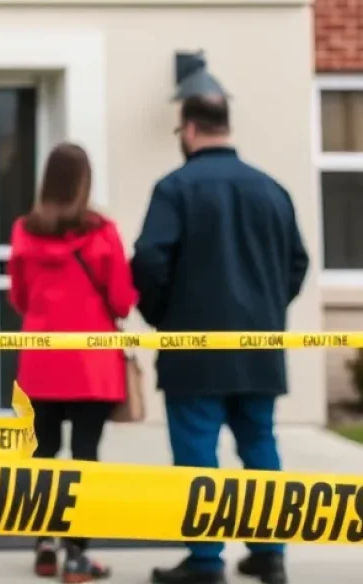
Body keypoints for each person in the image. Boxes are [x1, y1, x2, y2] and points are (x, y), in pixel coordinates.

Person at [130, 95, 309, 584]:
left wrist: (164, 315)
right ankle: (269, 553)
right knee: (259, 445)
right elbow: (298, 262)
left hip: (195, 350)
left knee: (196, 453)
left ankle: (206, 560)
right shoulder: (272, 190)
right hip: (259, 348)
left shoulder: (175, 188)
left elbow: (148, 260)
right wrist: (269, 310)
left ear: (189, 130)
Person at [9, 142, 138, 583]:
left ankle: (44, 543)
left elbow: (20, 298)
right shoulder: (103, 232)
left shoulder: (25, 232)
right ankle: (78, 555)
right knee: (85, 457)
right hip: (91, 366)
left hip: (41, 363)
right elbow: (121, 301)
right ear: (85, 182)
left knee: (43, 454)